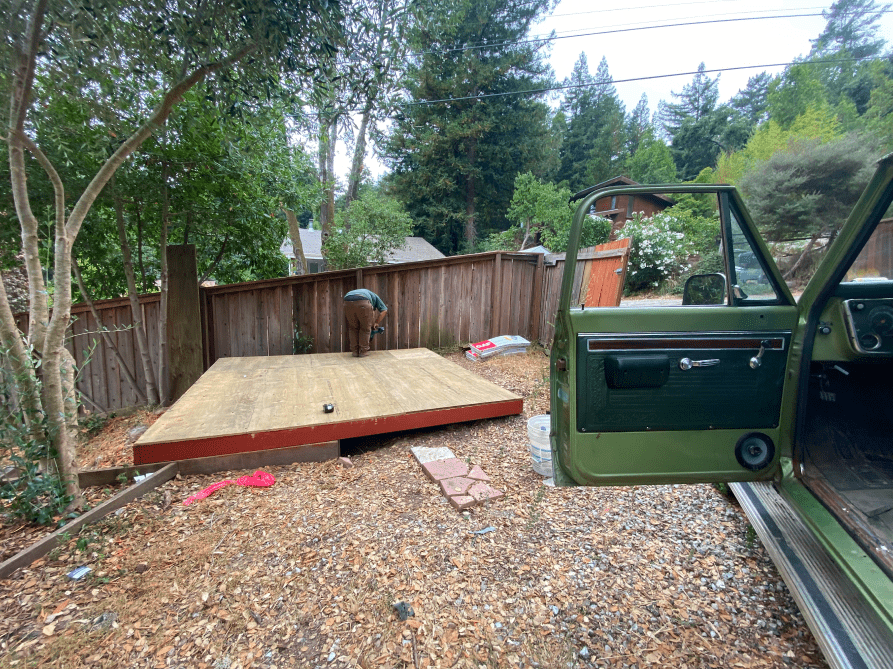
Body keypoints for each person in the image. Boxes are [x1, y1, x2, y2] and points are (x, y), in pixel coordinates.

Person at [343, 288, 387, 357]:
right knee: (365, 329)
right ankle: (363, 352)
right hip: (363, 301)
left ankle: (355, 352)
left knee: (353, 328)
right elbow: (384, 310)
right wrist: (376, 322)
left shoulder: (366, 293)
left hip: (347, 300)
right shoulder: (375, 296)